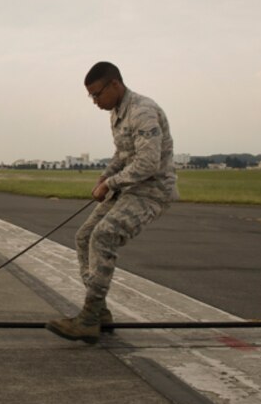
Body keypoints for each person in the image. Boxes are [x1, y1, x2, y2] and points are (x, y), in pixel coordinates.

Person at [46, 61, 178, 343]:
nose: (95, 101)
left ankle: (88, 317)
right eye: (91, 96)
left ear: (115, 85)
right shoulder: (117, 112)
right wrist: (103, 178)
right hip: (129, 189)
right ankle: (99, 313)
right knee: (84, 237)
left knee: (104, 236)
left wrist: (110, 184)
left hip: (152, 191)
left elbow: (147, 163)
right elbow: (122, 155)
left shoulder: (142, 111)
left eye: (97, 94)